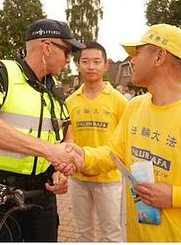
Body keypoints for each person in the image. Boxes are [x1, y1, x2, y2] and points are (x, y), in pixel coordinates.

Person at [74, 24, 181, 242]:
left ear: (159, 57)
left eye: (138, 52)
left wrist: (175, 196)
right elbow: (113, 154)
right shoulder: (136, 106)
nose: (133, 61)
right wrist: (80, 156)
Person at [0, 18, 87, 242]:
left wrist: (60, 169)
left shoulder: (55, 89)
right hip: (1, 195)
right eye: (67, 51)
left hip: (43, 194)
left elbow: (67, 130)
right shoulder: (1, 72)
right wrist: (49, 151)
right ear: (47, 47)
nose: (69, 60)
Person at [64, 42, 128, 242]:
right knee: (84, 233)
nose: (90, 66)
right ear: (78, 65)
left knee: (111, 233)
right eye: (85, 61)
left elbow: (125, 140)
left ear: (106, 65)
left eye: (96, 61)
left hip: (109, 179)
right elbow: (68, 137)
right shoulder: (70, 101)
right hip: (78, 179)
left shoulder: (119, 101)